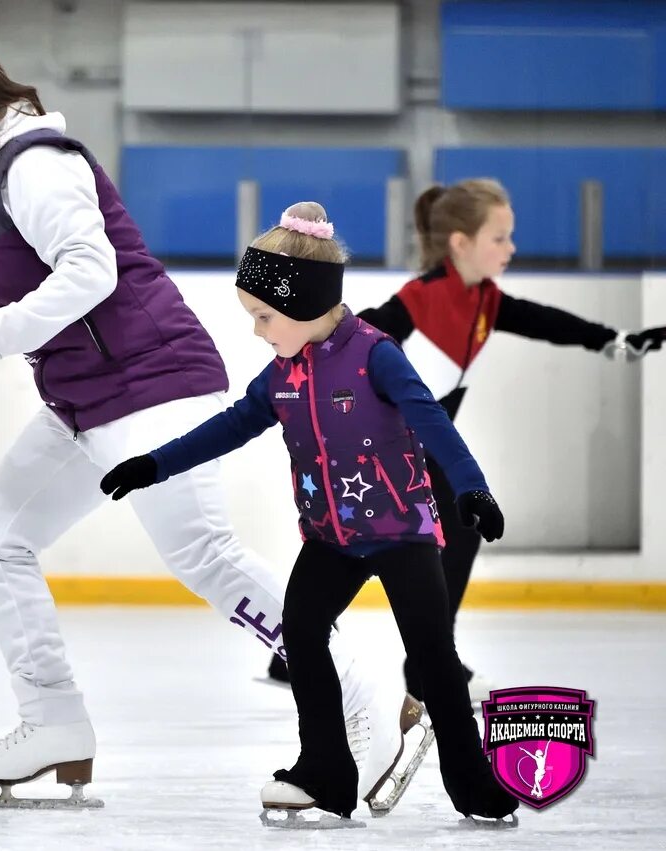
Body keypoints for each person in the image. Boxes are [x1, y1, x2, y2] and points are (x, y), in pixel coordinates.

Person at [0, 39, 420, 810]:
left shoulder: (37, 164)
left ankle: (362, 703)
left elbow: (89, 271)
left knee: (203, 553)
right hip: (85, 400)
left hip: (153, 384)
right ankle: (54, 723)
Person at [101, 201, 520, 822]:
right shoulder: (281, 376)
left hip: (402, 533)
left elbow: (431, 422)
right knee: (301, 634)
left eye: (264, 316)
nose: (258, 330)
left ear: (301, 303)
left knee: (433, 658)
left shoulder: (375, 354)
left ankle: (473, 782)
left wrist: (472, 490)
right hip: (331, 538)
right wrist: (153, 464)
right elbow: (230, 427)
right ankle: (325, 771)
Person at [263, 178, 666, 703]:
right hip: (383, 450)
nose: (511, 248)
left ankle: (417, 659)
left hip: (421, 450)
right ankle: (365, 655)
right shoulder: (421, 297)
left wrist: (615, 342)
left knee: (449, 532)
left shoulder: (485, 301)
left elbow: (543, 321)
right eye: (500, 237)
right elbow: (352, 333)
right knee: (371, 548)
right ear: (460, 242)